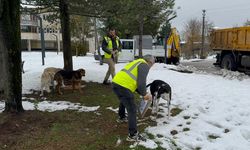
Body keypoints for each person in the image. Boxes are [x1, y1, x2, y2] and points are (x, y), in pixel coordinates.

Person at [112, 55, 155, 142]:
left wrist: (142, 94)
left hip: (116, 83)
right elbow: (141, 83)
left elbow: (134, 81)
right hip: (124, 86)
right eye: (152, 64)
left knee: (124, 100)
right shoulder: (144, 65)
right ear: (149, 62)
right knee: (132, 109)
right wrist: (145, 94)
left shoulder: (137, 62)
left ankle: (121, 117)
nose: (151, 66)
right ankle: (133, 134)